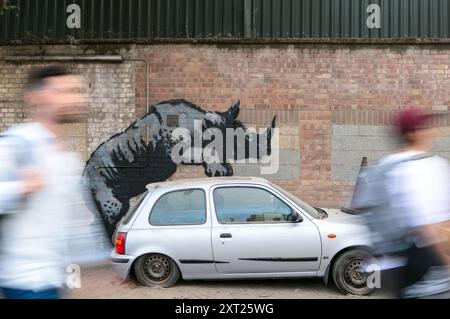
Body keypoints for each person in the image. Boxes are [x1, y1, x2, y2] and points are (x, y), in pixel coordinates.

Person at [0, 65, 109, 299]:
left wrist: (100, 266)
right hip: (22, 282)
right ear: (37, 97)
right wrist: (21, 187)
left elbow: (74, 222)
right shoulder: (17, 144)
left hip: (53, 281)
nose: (77, 98)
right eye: (65, 91)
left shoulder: (66, 155)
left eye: (79, 91)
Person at [355, 108, 450, 298]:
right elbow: (428, 227)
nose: (433, 131)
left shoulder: (385, 165)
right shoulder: (423, 166)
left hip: (393, 266)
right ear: (412, 134)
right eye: (425, 127)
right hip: (428, 271)